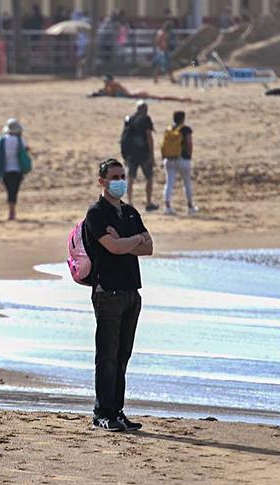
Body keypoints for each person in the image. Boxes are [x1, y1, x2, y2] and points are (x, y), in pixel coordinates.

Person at [84, 158, 154, 432]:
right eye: (114, 176)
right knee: (107, 355)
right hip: (107, 291)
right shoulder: (96, 213)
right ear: (102, 181)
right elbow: (111, 247)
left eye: (122, 175)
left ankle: (117, 410)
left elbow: (148, 247)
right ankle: (102, 412)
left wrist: (129, 241)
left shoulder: (130, 213)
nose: (120, 181)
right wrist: (131, 241)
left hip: (131, 292)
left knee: (123, 354)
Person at [0, 118, 32, 221]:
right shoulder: (20, 140)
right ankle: (12, 212)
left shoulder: (3, 140)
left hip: (5, 170)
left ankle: (11, 211)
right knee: (14, 191)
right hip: (17, 170)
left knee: (9, 190)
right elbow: (26, 150)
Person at [120, 100, 159, 211]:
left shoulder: (129, 119)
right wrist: (152, 155)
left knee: (130, 178)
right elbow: (149, 137)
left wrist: (124, 155)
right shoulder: (146, 119)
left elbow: (124, 138)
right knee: (149, 178)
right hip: (143, 153)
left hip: (131, 154)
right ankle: (148, 203)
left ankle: (130, 202)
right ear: (145, 109)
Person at [161, 111, 198, 216]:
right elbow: (189, 143)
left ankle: (167, 206)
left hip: (169, 159)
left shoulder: (169, 129)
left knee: (169, 183)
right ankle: (190, 207)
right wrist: (189, 156)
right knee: (187, 183)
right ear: (183, 118)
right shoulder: (186, 129)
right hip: (183, 159)